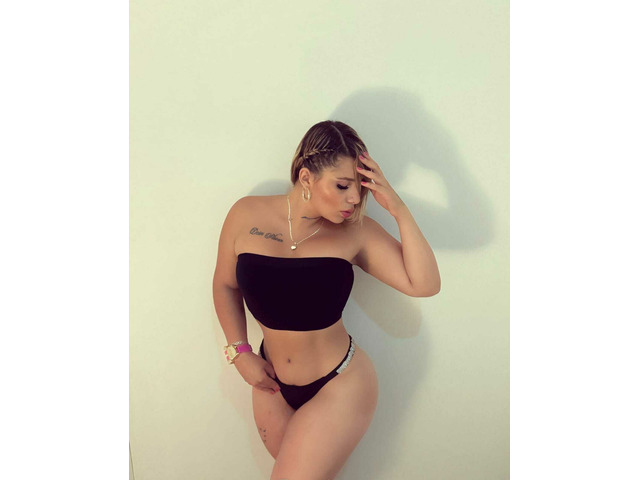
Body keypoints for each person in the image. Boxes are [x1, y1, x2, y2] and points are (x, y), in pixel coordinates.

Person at [212, 120, 441, 479]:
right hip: (271, 383)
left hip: (339, 384)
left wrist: (398, 208)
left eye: (360, 188)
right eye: (343, 185)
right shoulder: (245, 214)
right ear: (306, 178)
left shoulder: (356, 233)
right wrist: (239, 352)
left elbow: (424, 284)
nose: (355, 199)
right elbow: (225, 285)